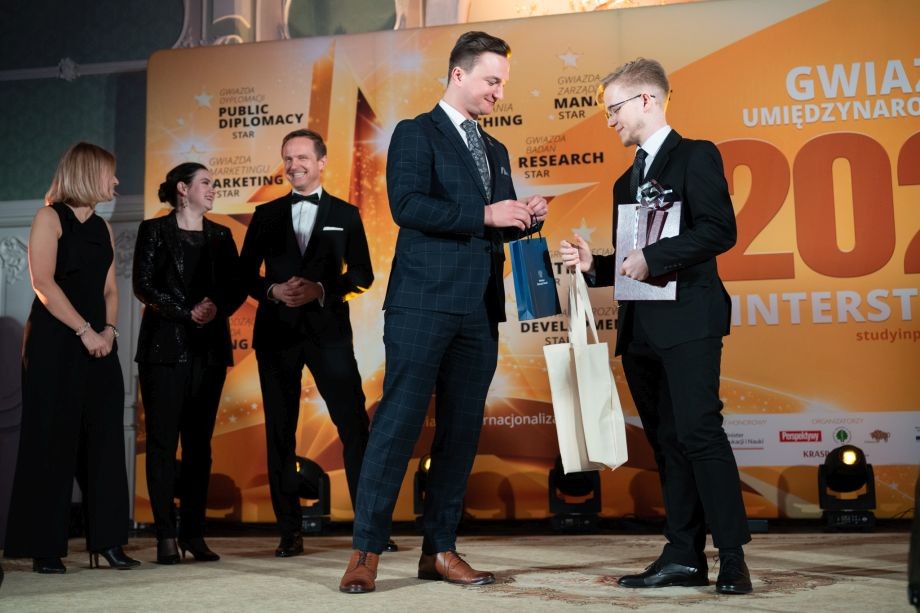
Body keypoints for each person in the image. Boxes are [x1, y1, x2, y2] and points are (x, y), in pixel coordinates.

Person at [339, 30, 549, 594]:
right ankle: (365, 551)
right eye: (492, 80)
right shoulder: (416, 132)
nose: (499, 92)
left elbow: (494, 226)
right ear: (459, 74)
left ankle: (440, 550)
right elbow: (407, 206)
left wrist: (525, 215)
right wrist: (485, 214)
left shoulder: (496, 150)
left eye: (503, 83)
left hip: (479, 310)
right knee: (396, 426)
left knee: (460, 433)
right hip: (422, 303)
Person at [560, 58, 751, 595]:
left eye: (614, 109)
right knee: (666, 443)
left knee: (699, 433)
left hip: (688, 318)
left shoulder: (695, 155)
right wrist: (594, 265)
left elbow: (719, 230)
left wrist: (656, 257)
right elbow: (632, 258)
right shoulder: (626, 180)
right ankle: (683, 555)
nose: (609, 121)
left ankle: (732, 556)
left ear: (647, 100)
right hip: (641, 327)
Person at [239, 128, 377, 558]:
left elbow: (363, 275)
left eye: (301, 157)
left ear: (321, 162)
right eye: (287, 158)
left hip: (328, 333)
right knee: (280, 432)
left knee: (354, 427)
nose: (293, 165)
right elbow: (243, 275)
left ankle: (370, 530)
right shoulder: (265, 214)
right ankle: (289, 532)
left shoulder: (346, 213)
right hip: (276, 335)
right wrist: (272, 291)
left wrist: (321, 290)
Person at [3, 142, 139, 573]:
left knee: (105, 442)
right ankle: (45, 547)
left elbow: (111, 291)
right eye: (110, 173)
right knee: (51, 441)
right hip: (55, 343)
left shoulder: (102, 227)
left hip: (100, 343)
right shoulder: (49, 217)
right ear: (88, 173)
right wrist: (84, 331)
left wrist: (109, 333)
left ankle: (109, 542)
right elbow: (43, 283)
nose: (116, 181)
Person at [133, 162, 246, 565]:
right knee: (163, 444)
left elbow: (235, 286)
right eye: (206, 183)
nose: (213, 189)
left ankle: (193, 534)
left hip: (209, 352)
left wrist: (214, 307)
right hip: (163, 351)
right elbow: (143, 285)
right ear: (183, 189)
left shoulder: (221, 235)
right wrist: (186, 312)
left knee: (199, 446)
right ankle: (165, 535)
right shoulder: (153, 230)